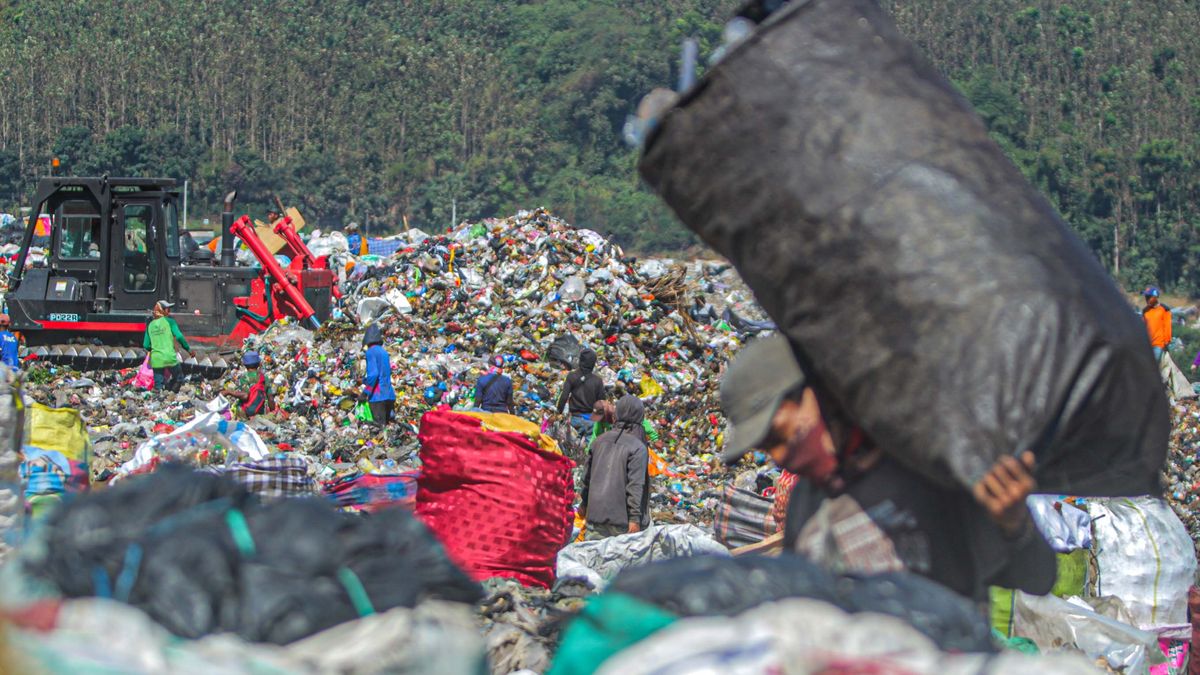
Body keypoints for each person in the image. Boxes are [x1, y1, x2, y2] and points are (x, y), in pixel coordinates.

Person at [719, 334, 1055, 602]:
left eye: (781, 435)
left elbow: (1037, 579)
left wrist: (1014, 524)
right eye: (766, 448)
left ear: (818, 394)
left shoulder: (927, 473)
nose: (778, 457)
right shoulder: (805, 506)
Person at [580, 394, 651, 539]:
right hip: (623, 523)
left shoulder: (598, 442)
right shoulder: (638, 447)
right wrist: (635, 519)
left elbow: (586, 478)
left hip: (595, 518)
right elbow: (635, 485)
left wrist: (584, 504)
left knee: (595, 559)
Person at [143, 300, 192, 392]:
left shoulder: (150, 325)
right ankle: (172, 393)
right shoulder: (170, 322)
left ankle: (161, 399)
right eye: (167, 309)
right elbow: (179, 336)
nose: (169, 311)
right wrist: (188, 349)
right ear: (162, 310)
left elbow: (145, 345)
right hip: (169, 356)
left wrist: (154, 349)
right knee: (179, 378)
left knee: (158, 386)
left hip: (156, 358)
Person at [556, 349, 605, 439]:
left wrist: (558, 413)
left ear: (580, 361)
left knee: (569, 447)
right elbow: (601, 403)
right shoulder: (597, 381)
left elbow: (564, 397)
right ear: (593, 363)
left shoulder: (572, 376)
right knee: (586, 449)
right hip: (590, 421)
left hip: (575, 419)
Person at [360, 324, 395, 425]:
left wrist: (365, 392)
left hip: (378, 397)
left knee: (378, 429)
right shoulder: (384, 352)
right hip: (389, 395)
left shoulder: (370, 352)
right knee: (387, 430)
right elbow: (383, 373)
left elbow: (373, 374)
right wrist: (364, 381)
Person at [228, 351, 272, 418]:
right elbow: (270, 399)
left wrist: (229, 392)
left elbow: (245, 396)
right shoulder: (264, 378)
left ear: (245, 365)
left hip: (246, 414)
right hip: (261, 412)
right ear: (258, 363)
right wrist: (272, 412)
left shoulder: (244, 378)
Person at [1142, 286, 1171, 362]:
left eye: (1149, 297)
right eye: (1146, 297)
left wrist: (1166, 341)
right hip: (1147, 345)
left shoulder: (1164, 309)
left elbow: (1167, 326)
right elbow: (1143, 327)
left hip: (1158, 344)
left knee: (1151, 365)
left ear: (1155, 297)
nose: (1146, 299)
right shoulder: (1145, 311)